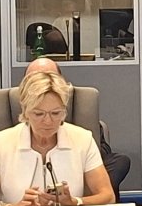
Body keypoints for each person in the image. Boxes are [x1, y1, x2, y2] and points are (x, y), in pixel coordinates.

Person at [0, 70, 116, 206]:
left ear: (64, 112)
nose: (48, 121)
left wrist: (75, 202)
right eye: (39, 114)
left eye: (55, 113)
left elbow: (108, 196)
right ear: (25, 111)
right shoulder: (2, 142)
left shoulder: (83, 139)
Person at [22, 57, 131, 189]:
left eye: (55, 113)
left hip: (78, 169)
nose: (44, 85)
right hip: (24, 174)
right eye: (39, 114)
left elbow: (102, 150)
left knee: (119, 161)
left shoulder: (81, 112)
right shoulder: (6, 135)